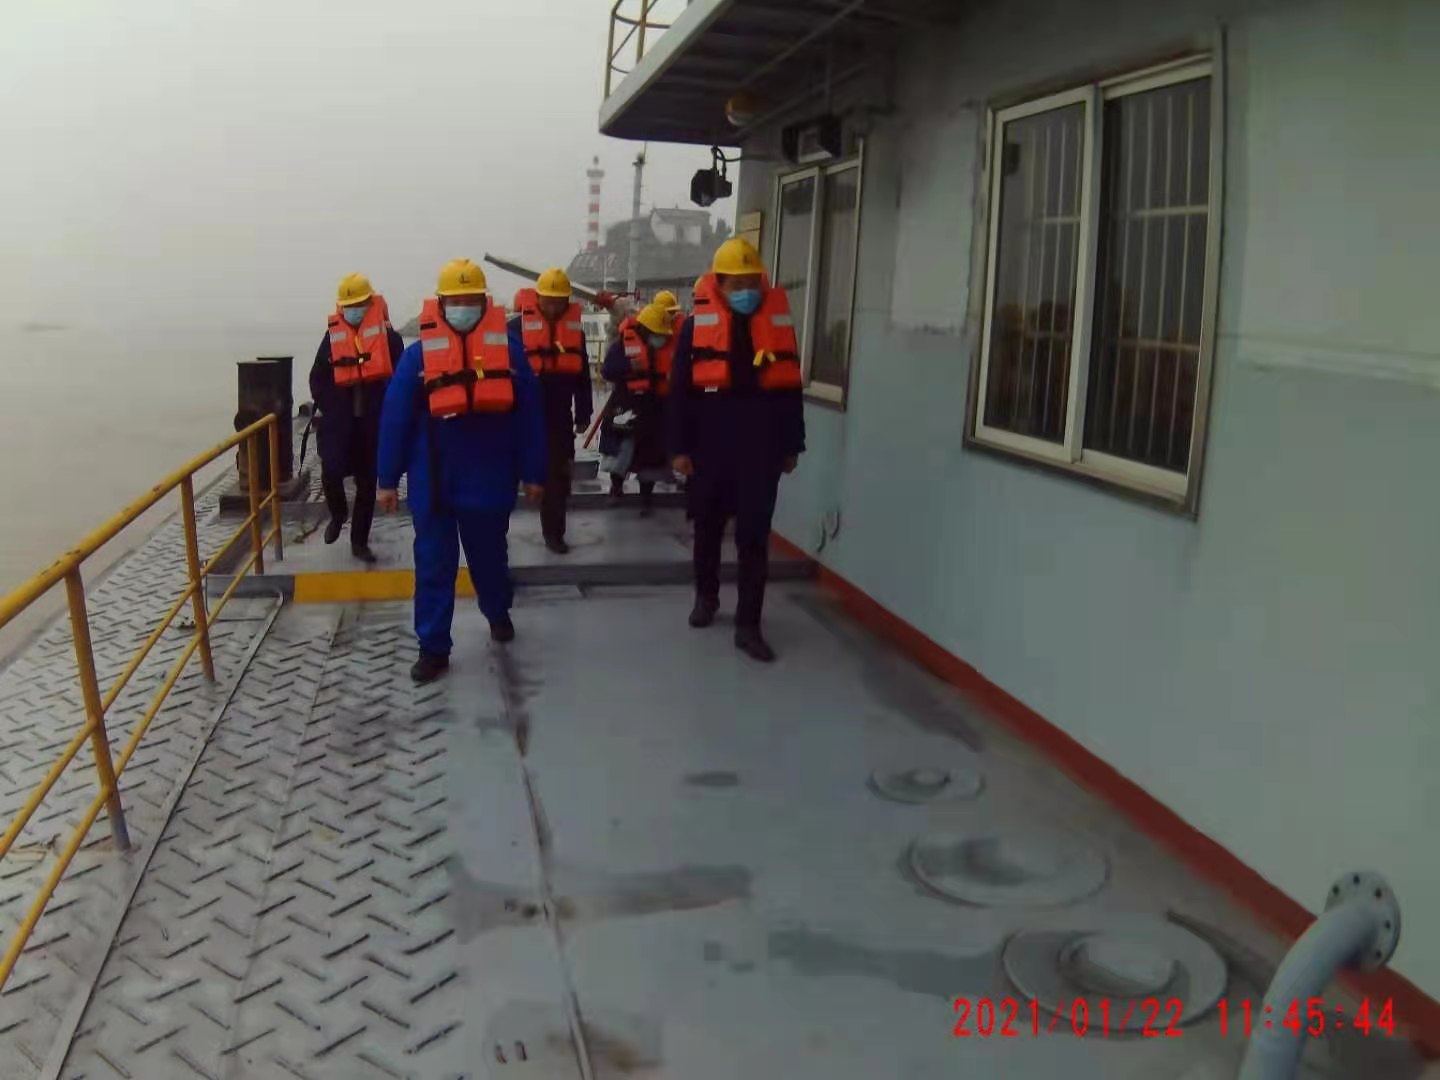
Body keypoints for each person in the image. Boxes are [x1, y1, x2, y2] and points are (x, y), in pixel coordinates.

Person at [375, 259, 546, 684]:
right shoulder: (417, 357)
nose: (463, 307)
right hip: (433, 482)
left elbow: (530, 419)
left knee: (490, 559)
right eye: (456, 300)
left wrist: (534, 472)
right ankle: (433, 647)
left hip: (489, 478)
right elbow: (395, 420)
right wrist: (386, 480)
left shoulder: (511, 352)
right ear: (441, 303)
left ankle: (497, 610)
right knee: (433, 566)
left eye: (471, 299)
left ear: (484, 303)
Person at [669, 238, 805, 662]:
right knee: (707, 530)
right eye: (737, 284)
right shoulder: (694, 328)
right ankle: (706, 597)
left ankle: (749, 626)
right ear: (720, 284)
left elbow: (790, 390)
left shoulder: (777, 327)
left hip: (761, 451)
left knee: (754, 539)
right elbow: (678, 392)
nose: (746, 291)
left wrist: (792, 444)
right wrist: (679, 448)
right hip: (709, 450)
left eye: (752, 283)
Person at [308, 272, 401, 563]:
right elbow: (317, 378)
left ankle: (359, 542)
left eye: (360, 304)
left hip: (372, 424)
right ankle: (338, 515)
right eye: (349, 305)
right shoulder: (332, 338)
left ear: (371, 303)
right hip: (339, 424)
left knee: (367, 483)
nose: (354, 310)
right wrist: (331, 405)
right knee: (331, 472)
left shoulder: (389, 338)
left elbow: (401, 377)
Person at [511, 268, 592, 554]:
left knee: (558, 478)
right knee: (506, 473)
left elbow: (583, 377)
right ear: (538, 298)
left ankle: (554, 533)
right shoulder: (515, 328)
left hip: (559, 415)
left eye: (560, 301)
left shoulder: (575, 334)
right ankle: (496, 533)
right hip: (520, 413)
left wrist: (584, 413)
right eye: (549, 301)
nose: (555, 307)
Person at [600, 302, 675, 515]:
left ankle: (646, 499)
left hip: (654, 404)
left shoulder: (665, 348)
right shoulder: (622, 345)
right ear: (645, 329)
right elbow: (607, 370)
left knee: (651, 454)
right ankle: (616, 488)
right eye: (656, 333)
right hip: (626, 403)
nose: (660, 338)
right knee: (622, 449)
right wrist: (629, 366)